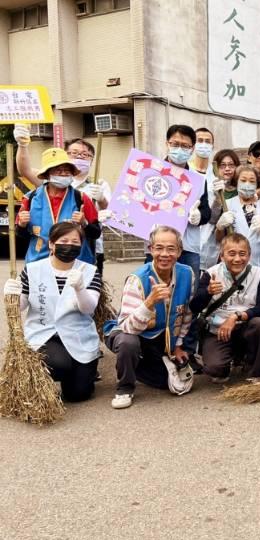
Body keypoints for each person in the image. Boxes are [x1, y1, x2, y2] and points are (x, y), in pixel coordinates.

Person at [3, 222, 102, 402]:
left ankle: (84, 373)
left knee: (78, 395)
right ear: (51, 244)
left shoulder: (89, 271)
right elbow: (21, 306)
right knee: (60, 364)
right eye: (64, 241)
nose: (69, 246)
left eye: (75, 242)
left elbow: (89, 308)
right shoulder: (33, 269)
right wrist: (11, 295)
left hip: (78, 335)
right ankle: (40, 380)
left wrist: (80, 288)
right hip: (44, 334)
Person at [104, 226, 195, 409]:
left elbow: (186, 313)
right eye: (159, 248)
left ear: (179, 251)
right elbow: (127, 326)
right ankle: (125, 387)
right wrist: (149, 303)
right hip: (129, 332)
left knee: (166, 383)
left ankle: (138, 366)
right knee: (127, 343)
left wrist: (178, 346)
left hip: (161, 337)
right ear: (150, 249)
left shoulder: (187, 274)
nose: (164, 254)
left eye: (171, 249)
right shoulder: (137, 279)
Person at [16, 131, 112, 274]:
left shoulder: (82, 197)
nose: (63, 174)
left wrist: (85, 222)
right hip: (39, 264)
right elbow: (21, 234)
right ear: (47, 174)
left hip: (76, 264)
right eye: (58, 170)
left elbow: (96, 231)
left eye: (67, 170)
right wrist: (22, 225)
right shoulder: (31, 198)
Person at [190, 233, 260, 383]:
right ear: (222, 256)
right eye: (231, 254)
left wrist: (236, 316)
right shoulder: (211, 274)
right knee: (215, 371)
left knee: (259, 323)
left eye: (242, 254)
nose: (237, 259)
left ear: (249, 255)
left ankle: (255, 371)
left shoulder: (259, 274)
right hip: (218, 330)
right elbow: (195, 307)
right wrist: (207, 293)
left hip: (245, 326)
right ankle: (229, 360)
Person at [162, 124, 212, 280]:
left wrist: (199, 217)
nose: (179, 149)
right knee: (157, 291)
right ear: (167, 144)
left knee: (188, 292)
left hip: (188, 247)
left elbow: (206, 212)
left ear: (192, 149)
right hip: (157, 247)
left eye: (185, 146)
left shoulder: (198, 180)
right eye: (175, 144)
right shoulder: (152, 172)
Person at [216, 165, 260, 280]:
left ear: (257, 185)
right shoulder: (227, 204)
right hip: (233, 266)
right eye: (243, 180)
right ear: (236, 182)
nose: (247, 184)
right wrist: (220, 227)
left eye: (252, 181)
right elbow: (218, 239)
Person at [201, 149, 242, 271]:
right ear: (216, 168)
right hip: (215, 244)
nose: (227, 169)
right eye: (223, 165)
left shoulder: (241, 188)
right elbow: (211, 218)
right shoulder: (211, 187)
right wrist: (218, 198)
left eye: (231, 165)